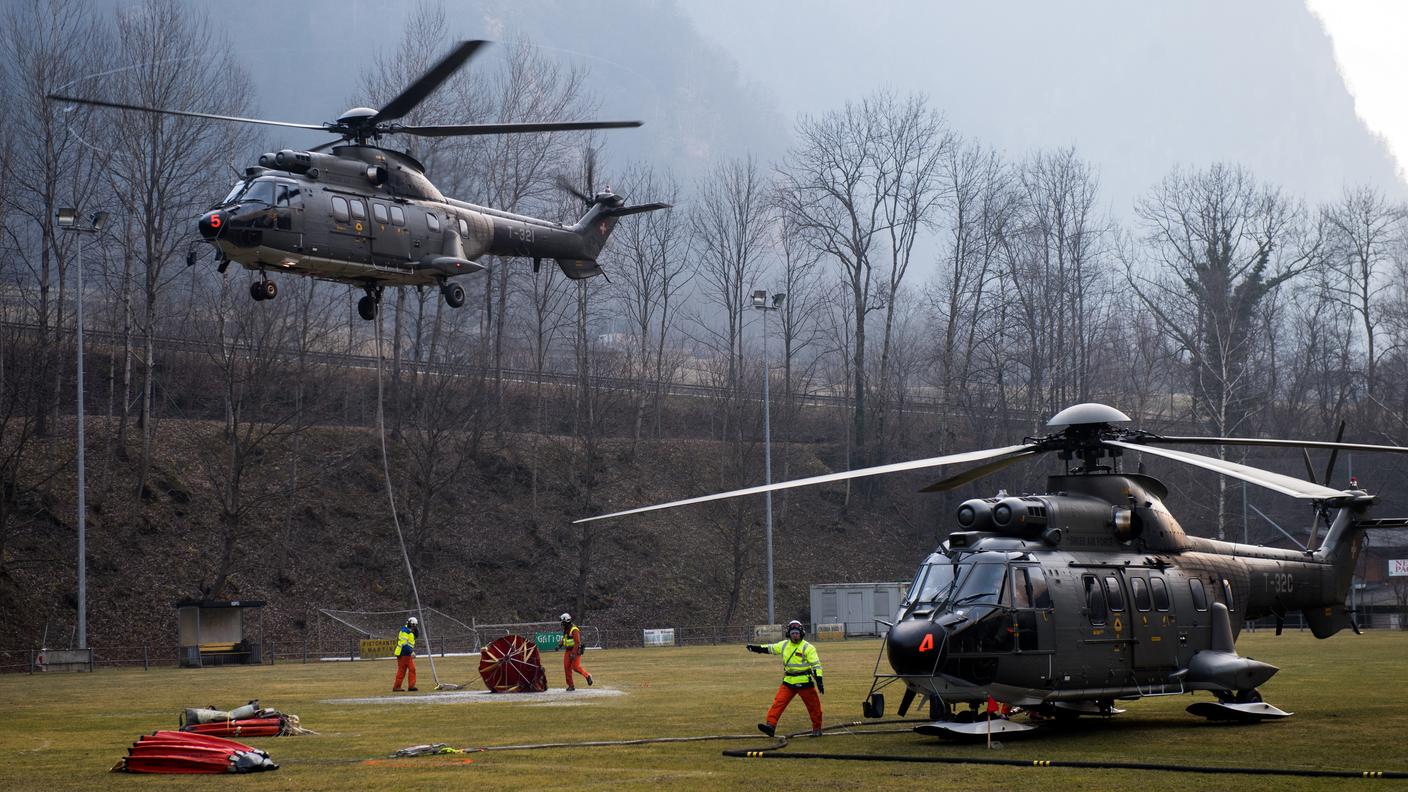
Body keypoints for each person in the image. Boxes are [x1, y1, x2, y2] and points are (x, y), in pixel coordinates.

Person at [746, 619, 824, 737]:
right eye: (793, 633)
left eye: (797, 633)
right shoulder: (784, 645)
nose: (795, 635)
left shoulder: (809, 647)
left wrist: (819, 680)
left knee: (814, 707)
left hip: (805, 682)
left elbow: (816, 665)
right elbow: (769, 648)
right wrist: (755, 648)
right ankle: (770, 726)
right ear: (789, 634)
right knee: (778, 703)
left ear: (801, 633)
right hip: (788, 682)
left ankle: (817, 729)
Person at [560, 612, 592, 691]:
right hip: (568, 650)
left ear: (566, 621)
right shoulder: (566, 629)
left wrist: (573, 653)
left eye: (563, 622)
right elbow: (564, 639)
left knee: (575, 667)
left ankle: (587, 676)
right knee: (566, 667)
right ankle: (571, 685)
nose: (562, 624)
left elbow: (577, 642)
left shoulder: (574, 630)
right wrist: (559, 645)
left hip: (576, 650)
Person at [391, 616, 419, 692]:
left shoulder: (410, 630)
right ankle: (397, 687)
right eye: (413, 625)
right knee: (402, 670)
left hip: (407, 653)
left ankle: (411, 686)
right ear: (409, 623)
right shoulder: (404, 631)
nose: (414, 627)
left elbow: (415, 637)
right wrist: (411, 652)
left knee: (411, 669)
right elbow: (404, 644)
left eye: (415, 625)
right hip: (403, 653)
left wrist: (416, 631)